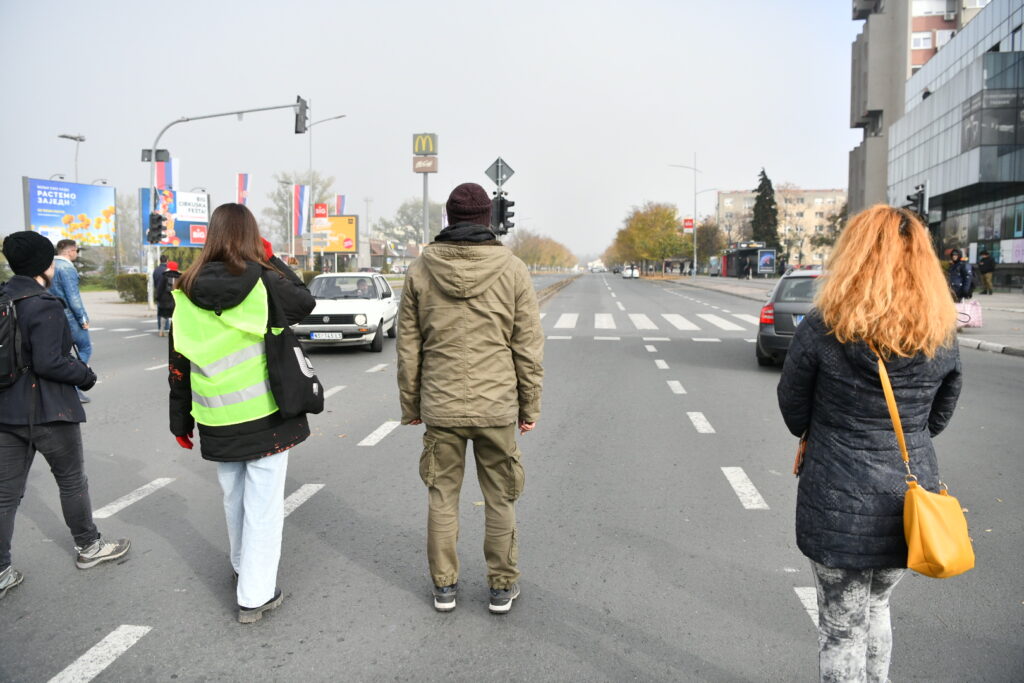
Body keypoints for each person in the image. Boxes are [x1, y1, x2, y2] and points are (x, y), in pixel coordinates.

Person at [777, 205, 961, 683]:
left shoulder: (823, 326)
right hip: (908, 497)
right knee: (878, 608)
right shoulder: (940, 331)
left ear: (853, 255)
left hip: (835, 497)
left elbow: (793, 408)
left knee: (841, 628)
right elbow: (938, 416)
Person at [397, 182, 544, 615]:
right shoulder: (514, 269)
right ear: (486, 220)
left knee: (442, 495)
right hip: (497, 405)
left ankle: (445, 588)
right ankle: (501, 587)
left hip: (441, 406)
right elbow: (527, 346)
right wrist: (529, 406)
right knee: (501, 497)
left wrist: (410, 405)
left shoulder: (421, 270)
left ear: (449, 219)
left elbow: (409, 347)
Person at [168, 203, 315, 624]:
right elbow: (305, 301)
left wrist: (181, 421)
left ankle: (241, 568)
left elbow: (178, 362)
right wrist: (269, 259)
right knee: (264, 507)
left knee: (234, 499)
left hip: (215, 414)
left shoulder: (185, 287)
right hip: (266, 413)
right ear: (252, 237)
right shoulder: (264, 280)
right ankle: (254, 595)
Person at [0, 232, 131, 599]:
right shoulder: (43, 302)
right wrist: (85, 376)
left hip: (6, 413)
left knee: (5, 496)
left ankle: (1, 571)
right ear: (46, 264)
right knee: (72, 481)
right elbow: (49, 361)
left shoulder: (4, 297)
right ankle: (89, 548)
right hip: (48, 410)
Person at [49, 239, 92, 403]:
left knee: (63, 352)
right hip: (69, 315)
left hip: (52, 313)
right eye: (76, 251)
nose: (77, 254)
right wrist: (83, 318)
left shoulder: (50, 264)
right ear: (70, 251)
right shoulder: (67, 268)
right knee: (85, 348)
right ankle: (73, 385)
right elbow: (73, 298)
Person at [155, 260, 180, 337]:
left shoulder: (164, 275)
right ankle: (173, 332)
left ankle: (161, 331)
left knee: (163, 315)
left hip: (164, 299)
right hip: (175, 299)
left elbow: (160, 288)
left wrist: (157, 297)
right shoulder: (179, 276)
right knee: (175, 316)